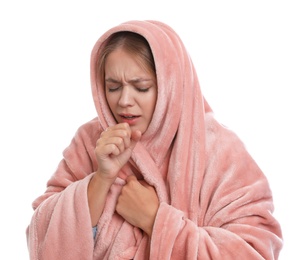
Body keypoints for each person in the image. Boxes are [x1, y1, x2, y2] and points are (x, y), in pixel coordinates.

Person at [26, 20, 283, 259]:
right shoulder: (91, 141)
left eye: (141, 87)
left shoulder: (221, 151)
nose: (124, 101)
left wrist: (155, 219)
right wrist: (100, 180)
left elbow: (253, 250)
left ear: (171, 86)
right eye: (113, 87)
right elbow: (41, 237)